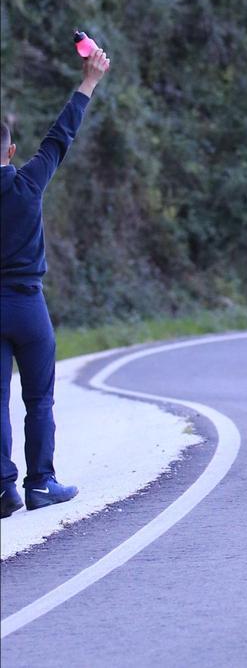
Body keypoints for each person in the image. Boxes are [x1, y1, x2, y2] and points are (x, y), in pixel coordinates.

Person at [2, 43, 110, 518]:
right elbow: (59, 137)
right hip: (27, 306)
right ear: (10, 150)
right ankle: (40, 483)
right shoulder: (27, 183)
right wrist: (88, 80)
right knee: (38, 398)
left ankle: (3, 490)